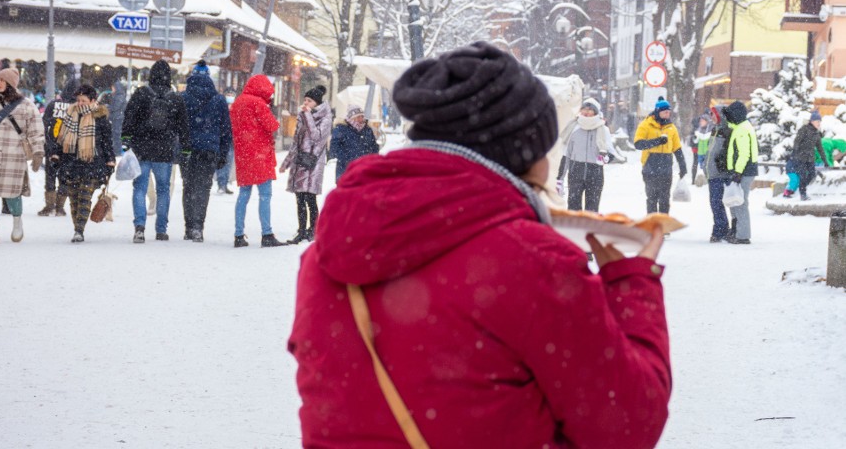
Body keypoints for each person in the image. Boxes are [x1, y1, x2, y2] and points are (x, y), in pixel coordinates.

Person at [288, 42, 671, 448]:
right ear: (522, 153)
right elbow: (627, 425)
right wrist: (634, 286)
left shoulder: (328, 253)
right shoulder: (534, 261)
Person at [121, 60, 190, 243]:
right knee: (163, 189)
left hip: (141, 149)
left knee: (140, 188)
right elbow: (183, 126)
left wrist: (126, 141)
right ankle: (161, 230)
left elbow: (129, 117)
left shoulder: (141, 93)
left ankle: (140, 228)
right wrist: (185, 147)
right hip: (164, 151)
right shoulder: (175, 98)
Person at [52, 85, 116, 243]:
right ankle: (77, 228)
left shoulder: (100, 118)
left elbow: (107, 142)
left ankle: (79, 229)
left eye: (83, 100)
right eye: (78, 100)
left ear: (93, 100)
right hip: (71, 164)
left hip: (93, 163)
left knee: (85, 196)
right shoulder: (69, 115)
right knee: (74, 198)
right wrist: (56, 154)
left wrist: (110, 161)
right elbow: (61, 138)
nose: (79, 103)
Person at [180, 62, 232, 243]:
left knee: (188, 187)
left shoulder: (184, 97)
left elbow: (178, 126)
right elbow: (226, 130)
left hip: (187, 150)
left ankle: (188, 227)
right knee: (203, 188)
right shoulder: (218, 100)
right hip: (209, 150)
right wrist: (223, 153)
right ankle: (198, 228)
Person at [229, 74, 281, 248]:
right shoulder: (258, 103)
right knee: (265, 195)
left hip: (244, 155)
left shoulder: (238, 102)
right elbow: (272, 126)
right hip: (260, 155)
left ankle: (238, 235)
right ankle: (267, 234)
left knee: (244, 195)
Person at [0, 68, 45, 244]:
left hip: (14, 156)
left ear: (11, 84)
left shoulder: (26, 105)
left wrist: (38, 152)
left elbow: (36, 130)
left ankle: (17, 222)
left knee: (13, 193)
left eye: (2, 80)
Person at [280, 84, 331, 244]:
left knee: (310, 198)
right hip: (300, 161)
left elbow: (316, 136)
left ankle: (313, 231)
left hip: (314, 163)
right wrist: (286, 162)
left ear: (316, 102)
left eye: (309, 100)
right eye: (305, 100)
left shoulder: (326, 118)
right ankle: (301, 231)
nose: (306, 103)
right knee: (299, 198)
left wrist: (307, 115)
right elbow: (296, 141)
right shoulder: (303, 116)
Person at [634, 96, 686, 214]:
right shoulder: (646, 125)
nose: (668, 114)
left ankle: (663, 224)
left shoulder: (672, 128)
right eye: (665, 112)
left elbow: (677, 148)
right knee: (652, 198)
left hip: (666, 167)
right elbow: (638, 144)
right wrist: (657, 141)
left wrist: (682, 165)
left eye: (669, 112)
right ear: (658, 112)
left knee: (664, 199)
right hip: (650, 166)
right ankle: (652, 224)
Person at [557, 98, 611, 211]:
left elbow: (610, 151)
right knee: (573, 208)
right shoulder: (574, 128)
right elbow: (566, 154)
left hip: (595, 173)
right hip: (575, 171)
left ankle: (590, 229)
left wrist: (606, 157)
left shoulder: (603, 130)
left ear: (596, 112)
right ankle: (574, 229)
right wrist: (560, 179)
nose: (586, 112)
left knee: (592, 209)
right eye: (584, 109)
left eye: (590, 109)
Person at [39, 78, 81, 216]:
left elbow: (45, 124)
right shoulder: (77, 107)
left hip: (51, 145)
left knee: (50, 174)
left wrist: (49, 143)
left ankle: (49, 205)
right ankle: (60, 207)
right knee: (65, 175)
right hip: (69, 147)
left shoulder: (53, 104)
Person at [723, 100, 759, 244]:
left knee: (740, 202)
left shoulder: (742, 129)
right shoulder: (742, 127)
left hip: (744, 171)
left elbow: (743, 153)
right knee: (735, 201)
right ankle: (737, 231)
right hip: (743, 170)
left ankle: (742, 235)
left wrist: (737, 172)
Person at [786, 109, 828, 201]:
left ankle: (802, 187)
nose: (819, 123)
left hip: (810, 158)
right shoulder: (804, 129)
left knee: (812, 175)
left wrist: (825, 160)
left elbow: (820, 148)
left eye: (820, 122)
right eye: (817, 121)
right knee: (803, 175)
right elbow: (797, 141)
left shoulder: (816, 134)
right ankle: (803, 194)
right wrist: (796, 152)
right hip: (800, 157)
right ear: (812, 121)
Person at [703, 106, 732, 242]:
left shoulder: (726, 131)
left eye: (713, 114)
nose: (711, 116)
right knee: (715, 203)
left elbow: (727, 152)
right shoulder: (715, 129)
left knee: (717, 203)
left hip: (720, 173)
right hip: (712, 173)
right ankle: (721, 229)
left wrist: (721, 164)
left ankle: (720, 230)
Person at [330, 104, 379, 182]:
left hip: (365, 168)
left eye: (362, 116)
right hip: (345, 169)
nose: (361, 119)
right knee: (346, 192)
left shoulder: (367, 129)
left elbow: (374, 146)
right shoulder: (341, 128)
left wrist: (371, 158)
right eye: (358, 117)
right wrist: (348, 159)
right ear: (351, 118)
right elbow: (334, 148)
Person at [215, 88, 236, 194]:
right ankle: (221, 183)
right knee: (222, 161)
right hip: (222, 138)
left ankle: (225, 183)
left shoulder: (236, 108)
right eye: (228, 94)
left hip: (231, 138)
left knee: (229, 162)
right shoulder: (220, 106)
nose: (230, 96)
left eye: (232, 94)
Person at [691, 114, 712, 182]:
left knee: (707, 167)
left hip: (707, 152)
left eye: (702, 121)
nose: (701, 122)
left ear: (707, 122)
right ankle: (702, 179)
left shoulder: (710, 131)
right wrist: (694, 138)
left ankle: (707, 179)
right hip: (700, 152)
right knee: (701, 167)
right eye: (700, 121)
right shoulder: (698, 131)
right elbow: (695, 141)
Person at [109, 80, 127, 156]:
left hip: (117, 119)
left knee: (116, 135)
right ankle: (117, 150)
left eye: (113, 88)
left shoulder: (118, 96)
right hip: (117, 118)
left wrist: (109, 108)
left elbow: (115, 107)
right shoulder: (119, 96)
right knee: (116, 135)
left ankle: (117, 151)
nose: (112, 89)